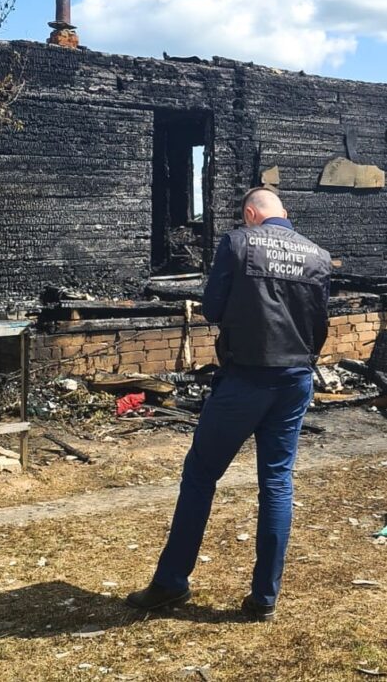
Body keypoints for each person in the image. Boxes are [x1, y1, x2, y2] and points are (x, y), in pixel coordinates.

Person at [127, 187, 331, 621]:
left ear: (251, 214)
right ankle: (264, 598)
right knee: (277, 483)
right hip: (295, 379)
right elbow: (319, 326)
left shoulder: (238, 242)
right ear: (284, 214)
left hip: (246, 379)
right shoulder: (316, 255)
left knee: (200, 474)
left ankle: (171, 583)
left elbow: (213, 308)